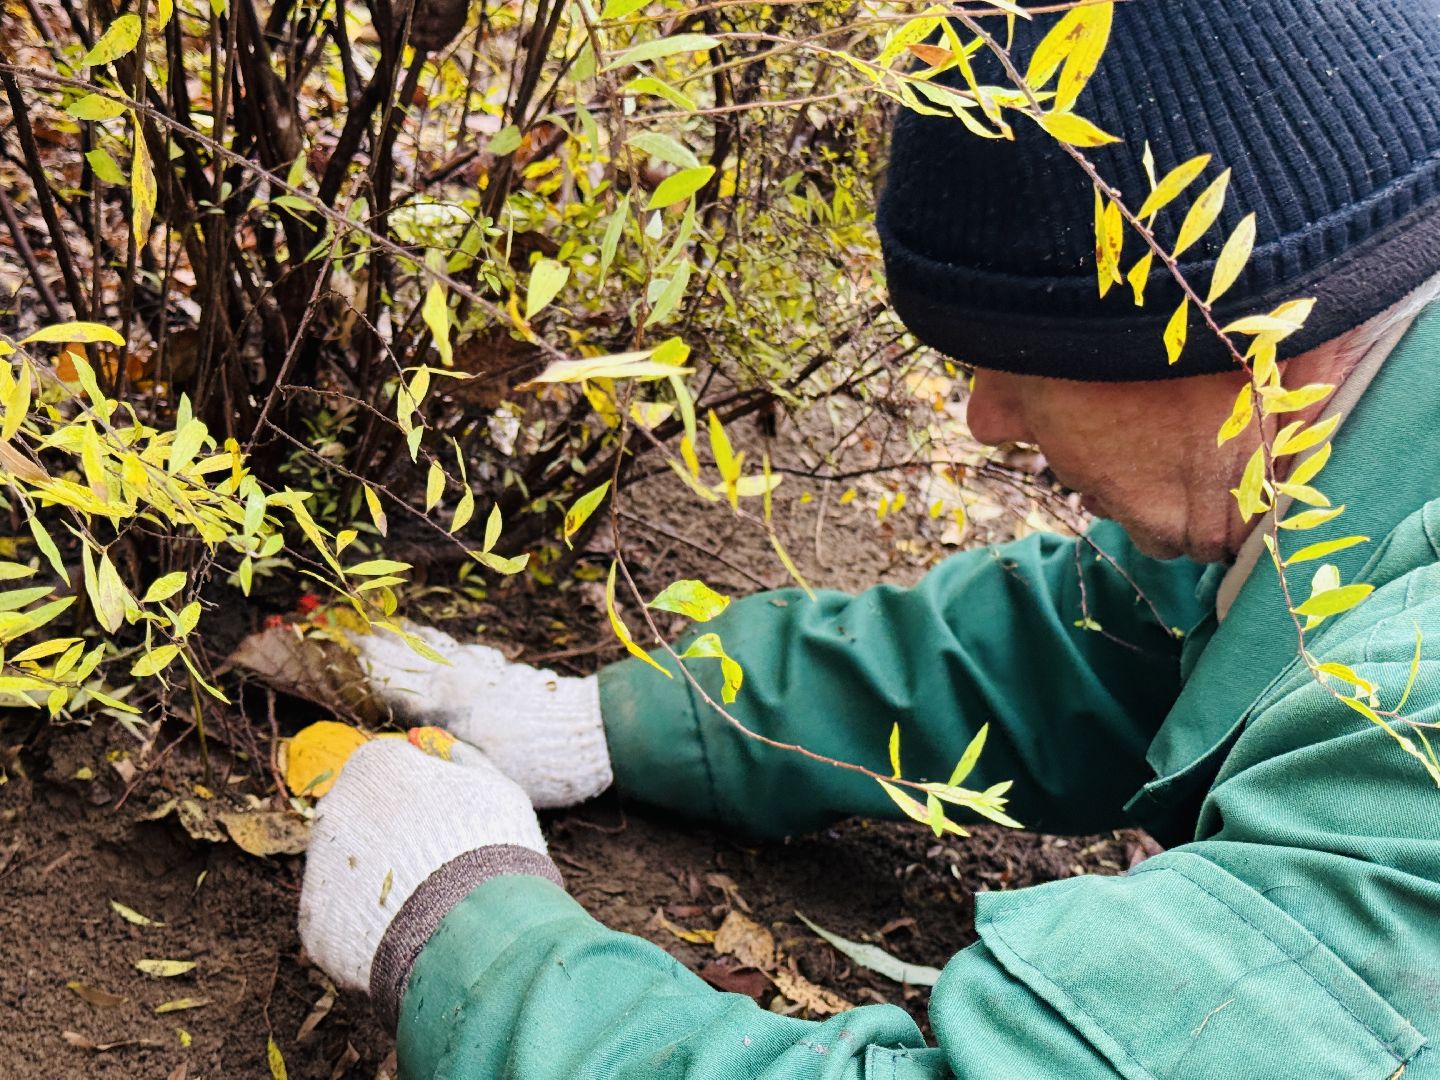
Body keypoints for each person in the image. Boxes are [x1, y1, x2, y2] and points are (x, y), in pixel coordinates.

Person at [299, 2, 1440, 1076]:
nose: (985, 416)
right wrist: (620, 721)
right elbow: (1090, 642)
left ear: (1258, 339)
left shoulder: (1418, 737)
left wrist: (467, 947)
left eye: (1025, 357)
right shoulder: (1333, 477)